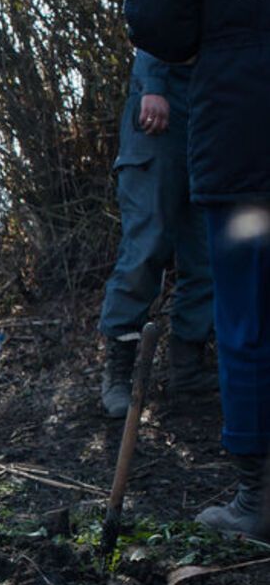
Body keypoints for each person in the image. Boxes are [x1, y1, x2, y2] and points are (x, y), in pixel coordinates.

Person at [126, 0, 269, 540]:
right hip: (243, 135)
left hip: (244, 132)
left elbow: (157, 22)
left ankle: (260, 498)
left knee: (248, 314)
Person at [98, 48, 214, 418]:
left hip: (215, 104)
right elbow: (155, 13)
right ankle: (118, 372)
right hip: (162, 102)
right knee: (148, 242)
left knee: (209, 247)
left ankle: (188, 369)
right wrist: (153, 84)